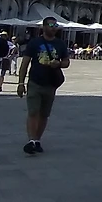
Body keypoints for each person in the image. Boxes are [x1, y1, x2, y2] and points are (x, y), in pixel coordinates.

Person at [16, 17, 70, 155]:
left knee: (44, 114)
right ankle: (31, 141)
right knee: (33, 112)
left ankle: (37, 140)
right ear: (44, 27)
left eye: (55, 25)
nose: (54, 27)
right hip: (35, 82)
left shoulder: (60, 44)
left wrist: (59, 64)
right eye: (51, 25)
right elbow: (24, 64)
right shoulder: (35, 43)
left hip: (51, 84)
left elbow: (66, 62)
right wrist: (21, 83)